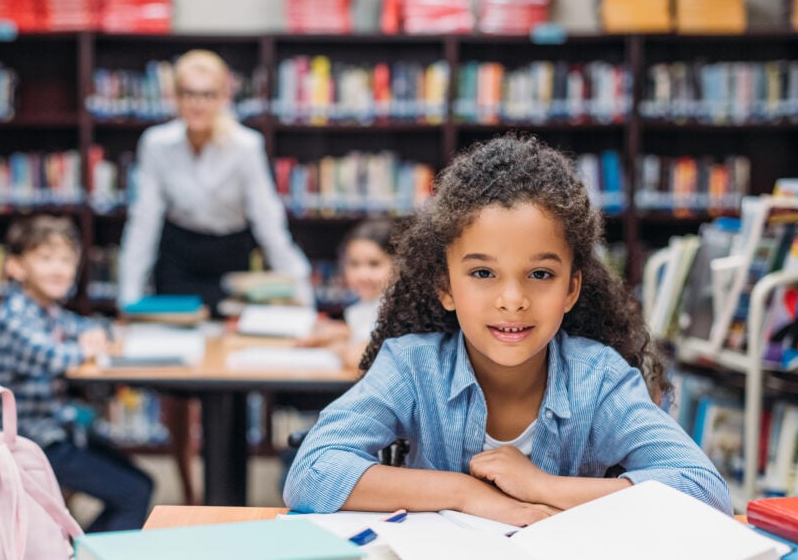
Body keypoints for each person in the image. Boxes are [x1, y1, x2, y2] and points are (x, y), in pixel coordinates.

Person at [284, 134, 732, 525]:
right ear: (446, 286)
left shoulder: (600, 379)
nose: (512, 299)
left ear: (572, 288)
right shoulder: (412, 366)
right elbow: (313, 472)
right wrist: (466, 493)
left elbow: (703, 489)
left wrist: (543, 487)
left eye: (540, 275)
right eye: (483, 274)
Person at [117, 50, 314, 504]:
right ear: (175, 97)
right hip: (179, 255)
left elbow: (269, 223)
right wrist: (128, 300)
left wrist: (302, 296)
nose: (198, 104)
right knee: (179, 377)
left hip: (231, 257)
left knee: (228, 368)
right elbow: (143, 220)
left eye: (208, 94)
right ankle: (188, 489)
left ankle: (228, 490)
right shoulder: (156, 144)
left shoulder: (245, 147)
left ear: (224, 95)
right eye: (188, 93)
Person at [0, 215, 154, 532]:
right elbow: (53, 357)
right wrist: (88, 346)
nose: (59, 269)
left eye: (66, 260)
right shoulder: (11, 316)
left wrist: (95, 337)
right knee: (134, 492)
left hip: (58, 430)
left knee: (140, 480)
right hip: (30, 441)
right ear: (16, 267)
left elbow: (95, 328)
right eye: (46, 259)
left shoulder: (48, 311)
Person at [299, 217, 396, 369]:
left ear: (398, 265)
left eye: (374, 264)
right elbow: (359, 331)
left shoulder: (397, 310)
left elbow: (360, 358)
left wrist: (339, 348)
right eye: (354, 264)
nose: (362, 274)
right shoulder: (368, 305)